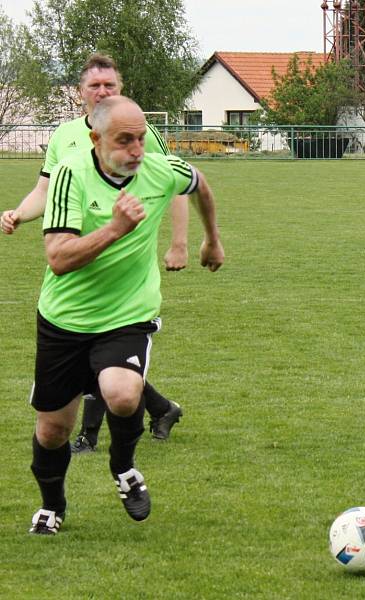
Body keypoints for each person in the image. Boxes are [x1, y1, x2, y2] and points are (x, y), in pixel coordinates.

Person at [28, 95, 224, 535]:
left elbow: (199, 183)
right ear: (97, 140)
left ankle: (124, 467)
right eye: (125, 140)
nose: (137, 149)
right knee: (53, 432)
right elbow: (58, 257)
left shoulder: (159, 169)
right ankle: (52, 505)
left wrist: (211, 239)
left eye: (140, 138)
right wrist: (115, 228)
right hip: (64, 319)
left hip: (127, 314)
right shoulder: (68, 175)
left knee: (121, 393)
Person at [1, 53, 186, 450]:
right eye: (94, 86)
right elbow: (44, 191)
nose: (102, 92)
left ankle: (91, 435)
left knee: (104, 346)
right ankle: (159, 407)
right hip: (76, 254)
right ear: (80, 93)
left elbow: (174, 182)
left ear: (120, 90)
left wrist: (178, 243)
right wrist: (20, 213)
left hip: (120, 262)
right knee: (94, 350)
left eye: (110, 86)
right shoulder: (64, 136)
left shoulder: (142, 133)